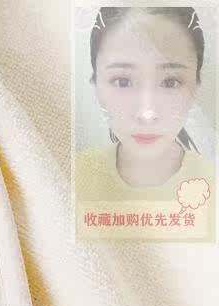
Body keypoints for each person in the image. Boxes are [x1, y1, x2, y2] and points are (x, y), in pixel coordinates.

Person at [75, 6, 215, 239]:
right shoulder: (70, 178)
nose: (147, 113)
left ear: (197, 86)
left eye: (170, 82)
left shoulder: (213, 184)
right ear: (95, 83)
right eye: (122, 81)